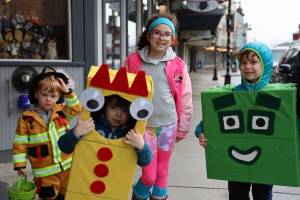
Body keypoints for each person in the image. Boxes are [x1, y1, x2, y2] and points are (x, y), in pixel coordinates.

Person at [123, 14, 193, 200]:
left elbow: (185, 98)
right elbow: (121, 94)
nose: (162, 38)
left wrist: (182, 127)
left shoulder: (177, 64)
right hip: (143, 127)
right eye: (157, 33)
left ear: (172, 39)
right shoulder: (133, 61)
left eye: (167, 34)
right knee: (148, 176)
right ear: (148, 35)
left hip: (169, 125)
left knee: (162, 173)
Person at [195, 42, 273, 200]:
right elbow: (211, 119)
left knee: (263, 195)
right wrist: (201, 132)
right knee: (237, 194)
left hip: (265, 160)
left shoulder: (273, 97)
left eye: (253, 62)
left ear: (264, 65)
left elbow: (288, 125)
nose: (247, 66)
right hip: (236, 164)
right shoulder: (233, 95)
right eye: (243, 62)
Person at [12, 66, 82, 200]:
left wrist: (68, 92)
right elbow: (20, 143)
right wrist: (19, 164)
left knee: (68, 195)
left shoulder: (61, 111)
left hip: (67, 167)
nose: (48, 99)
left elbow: (77, 109)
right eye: (44, 95)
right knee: (48, 197)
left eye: (53, 96)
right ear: (36, 94)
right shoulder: (26, 117)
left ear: (58, 97)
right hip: (44, 172)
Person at [58, 94, 152, 166]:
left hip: (116, 183)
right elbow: (63, 147)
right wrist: (76, 132)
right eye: (113, 108)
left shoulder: (131, 134)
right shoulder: (91, 125)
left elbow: (145, 162)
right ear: (105, 107)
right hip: (86, 179)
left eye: (124, 110)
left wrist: (141, 146)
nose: (118, 114)